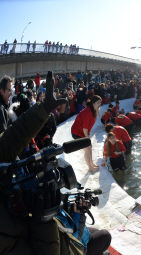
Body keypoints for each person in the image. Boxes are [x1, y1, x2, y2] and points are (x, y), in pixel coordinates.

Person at [0, 71, 88, 254]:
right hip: (56, 244)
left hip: (55, 236)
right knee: (102, 238)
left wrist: (43, 108)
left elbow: (10, 140)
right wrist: (44, 220)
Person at [71, 95, 102, 172]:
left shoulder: (93, 110)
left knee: (89, 147)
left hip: (82, 132)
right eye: (98, 103)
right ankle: (90, 168)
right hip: (76, 132)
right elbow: (85, 129)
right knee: (87, 148)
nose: (99, 104)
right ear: (93, 103)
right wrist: (87, 140)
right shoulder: (88, 112)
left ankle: (91, 163)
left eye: (100, 103)